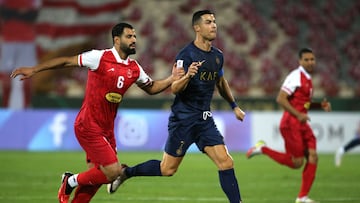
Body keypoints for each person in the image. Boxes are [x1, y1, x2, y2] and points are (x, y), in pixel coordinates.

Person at [10, 22, 182, 203]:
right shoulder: (99, 57)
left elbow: (152, 88)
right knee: (113, 172)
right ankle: (70, 180)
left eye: (135, 37)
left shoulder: (134, 68)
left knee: (96, 178)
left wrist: (172, 78)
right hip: (88, 124)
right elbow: (66, 61)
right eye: (129, 36)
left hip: (107, 129)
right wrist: (34, 70)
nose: (134, 40)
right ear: (117, 40)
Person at [107, 10, 246, 203]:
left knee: (226, 162)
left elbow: (221, 82)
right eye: (208, 22)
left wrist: (234, 106)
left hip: (205, 120)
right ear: (197, 28)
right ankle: (126, 172)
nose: (214, 25)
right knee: (168, 169)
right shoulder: (186, 55)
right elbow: (174, 88)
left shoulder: (217, 56)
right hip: (184, 120)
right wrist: (188, 75)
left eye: (214, 21)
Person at [246, 48, 331, 203]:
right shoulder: (295, 76)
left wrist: (319, 106)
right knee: (297, 163)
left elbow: (302, 103)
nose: (310, 62)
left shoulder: (307, 78)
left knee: (313, 156)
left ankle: (302, 197)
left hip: (302, 123)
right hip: (291, 123)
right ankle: (262, 149)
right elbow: (281, 98)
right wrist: (298, 115)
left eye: (312, 59)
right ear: (300, 61)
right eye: (307, 59)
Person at [0, 0, 41, 109]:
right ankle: (5, 106)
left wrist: (13, 13)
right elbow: (4, 13)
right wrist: (20, 13)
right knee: (7, 74)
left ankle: (26, 106)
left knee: (27, 73)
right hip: (8, 39)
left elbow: (33, 15)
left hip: (27, 40)